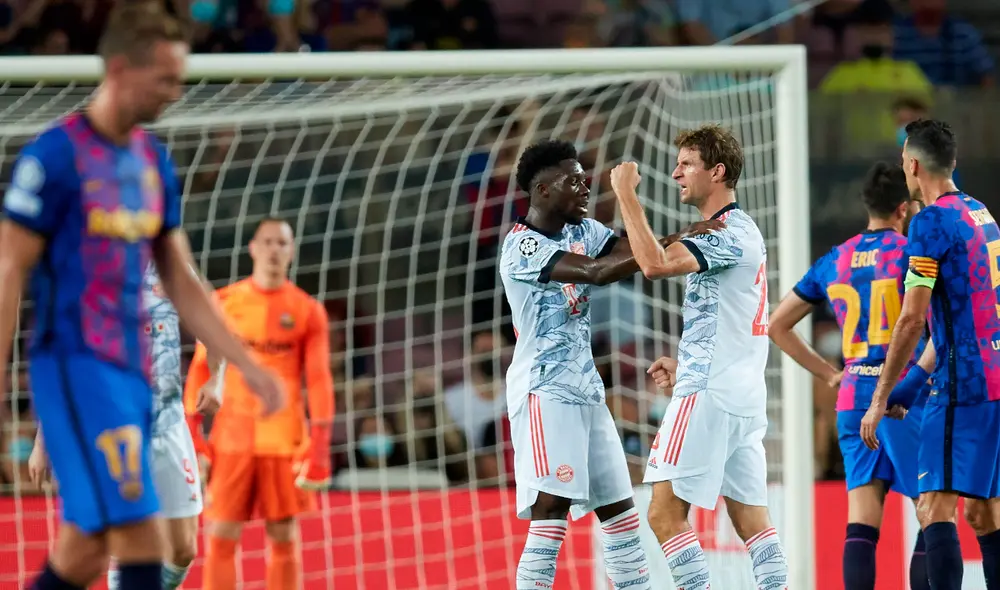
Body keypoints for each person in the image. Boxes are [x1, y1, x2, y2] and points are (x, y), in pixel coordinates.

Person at [0, 3, 285, 590]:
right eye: (166, 79)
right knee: (138, 540)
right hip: (78, 370)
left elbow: (180, 277)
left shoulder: (151, 161)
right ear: (122, 69)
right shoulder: (53, 159)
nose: (176, 92)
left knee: (85, 555)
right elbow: (9, 272)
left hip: (136, 378)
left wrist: (242, 362)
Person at [498, 139, 720, 590]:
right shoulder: (520, 247)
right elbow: (598, 272)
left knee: (620, 514)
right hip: (545, 392)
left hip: (588, 393)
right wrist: (674, 238)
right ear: (541, 190)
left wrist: (673, 240)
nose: (584, 187)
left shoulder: (583, 229)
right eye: (573, 180)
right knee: (551, 510)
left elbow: (626, 252)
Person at [609, 124, 788, 590]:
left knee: (664, 513)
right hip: (740, 395)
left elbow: (653, 265)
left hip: (710, 393)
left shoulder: (728, 232)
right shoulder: (735, 232)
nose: (675, 173)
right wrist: (686, 363)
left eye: (687, 164)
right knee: (754, 523)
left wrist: (625, 194)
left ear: (718, 171)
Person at [768, 161, 931, 590]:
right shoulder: (914, 255)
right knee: (932, 510)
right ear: (905, 208)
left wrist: (829, 374)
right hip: (902, 395)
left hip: (853, 393)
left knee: (861, 520)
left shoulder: (835, 259)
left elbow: (777, 325)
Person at [862, 119, 1000, 590]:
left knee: (933, 507)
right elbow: (965, 318)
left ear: (913, 164)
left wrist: (880, 396)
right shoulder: (982, 215)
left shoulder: (929, 223)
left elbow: (912, 318)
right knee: (985, 513)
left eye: (904, 161)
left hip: (964, 388)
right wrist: (911, 384)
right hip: (995, 380)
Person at [28, 266, 221, 590]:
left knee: (183, 549)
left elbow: (211, 321)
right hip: (111, 432)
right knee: (99, 551)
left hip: (167, 426)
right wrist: (42, 440)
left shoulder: (166, 263)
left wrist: (218, 380)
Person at [184, 217, 335, 590]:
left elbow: (318, 380)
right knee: (220, 534)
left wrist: (319, 447)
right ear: (252, 248)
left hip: (283, 441)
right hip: (232, 438)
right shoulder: (224, 303)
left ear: (292, 251)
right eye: (267, 242)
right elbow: (199, 370)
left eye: (282, 243)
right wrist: (193, 433)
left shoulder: (306, 310)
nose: (273, 250)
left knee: (283, 535)